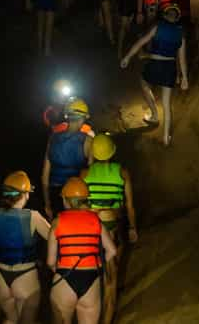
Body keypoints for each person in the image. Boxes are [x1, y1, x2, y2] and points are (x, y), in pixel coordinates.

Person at [80, 133, 137, 324]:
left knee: (96, 276)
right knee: (111, 279)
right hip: (114, 227)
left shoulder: (84, 175)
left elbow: (80, 205)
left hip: (91, 228)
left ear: (94, 154)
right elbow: (129, 205)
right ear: (112, 152)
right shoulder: (122, 172)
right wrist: (132, 228)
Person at [47, 177, 117, 324]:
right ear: (85, 200)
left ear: (66, 200)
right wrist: (99, 265)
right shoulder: (95, 220)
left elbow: (50, 261)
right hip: (91, 280)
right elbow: (112, 251)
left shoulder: (58, 221)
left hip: (65, 277)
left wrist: (60, 271)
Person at [0, 171, 51, 324]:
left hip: (1, 277)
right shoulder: (33, 216)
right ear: (26, 195)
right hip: (25, 277)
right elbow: (54, 238)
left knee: (10, 319)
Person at [120, 3, 188, 146]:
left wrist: (127, 57)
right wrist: (184, 78)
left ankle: (155, 115)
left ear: (165, 15)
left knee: (144, 83)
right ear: (177, 18)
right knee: (167, 104)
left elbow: (140, 43)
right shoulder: (180, 34)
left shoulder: (158, 27)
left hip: (155, 65)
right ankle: (165, 138)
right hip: (170, 68)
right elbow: (182, 59)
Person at [43, 98, 94, 219]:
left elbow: (44, 177)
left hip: (56, 195)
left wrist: (47, 204)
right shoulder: (88, 141)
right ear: (83, 118)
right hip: (77, 195)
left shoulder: (52, 139)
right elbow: (91, 175)